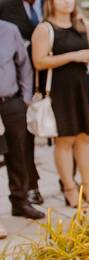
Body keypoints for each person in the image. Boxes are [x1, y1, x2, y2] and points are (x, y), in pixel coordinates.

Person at [31, 0, 89, 207]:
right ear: (52, 2)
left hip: (81, 86)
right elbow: (39, 61)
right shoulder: (45, 29)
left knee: (85, 137)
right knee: (65, 140)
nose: (67, 1)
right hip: (59, 89)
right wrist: (74, 55)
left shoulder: (83, 24)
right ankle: (70, 189)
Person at [0, 0, 46, 206]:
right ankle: (28, 188)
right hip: (13, 83)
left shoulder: (48, 1)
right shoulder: (5, 4)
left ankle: (31, 191)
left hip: (39, 80)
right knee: (16, 144)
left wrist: (26, 96)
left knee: (32, 139)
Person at [0, 19, 43, 219]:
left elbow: (24, 65)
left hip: (11, 103)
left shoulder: (10, 29)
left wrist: (25, 99)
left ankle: (20, 202)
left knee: (19, 154)